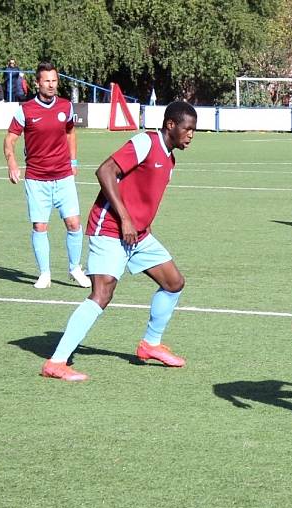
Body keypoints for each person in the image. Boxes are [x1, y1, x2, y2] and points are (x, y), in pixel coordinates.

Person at [40, 101, 198, 382]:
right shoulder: (145, 142)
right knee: (102, 293)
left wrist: (136, 225)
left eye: (193, 130)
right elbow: (105, 171)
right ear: (171, 125)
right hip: (111, 228)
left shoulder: (170, 159)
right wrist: (124, 218)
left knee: (174, 283)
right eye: (187, 129)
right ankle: (57, 362)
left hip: (139, 235)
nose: (190, 135)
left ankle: (150, 344)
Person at [4, 62, 91, 289]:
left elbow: (70, 132)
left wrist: (73, 161)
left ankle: (75, 268)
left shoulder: (66, 106)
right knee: (40, 227)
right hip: (36, 179)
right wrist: (12, 163)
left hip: (63, 177)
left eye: (54, 80)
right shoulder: (25, 110)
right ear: (38, 83)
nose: (51, 85)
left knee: (74, 223)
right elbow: (10, 140)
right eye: (47, 81)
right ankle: (44, 274)